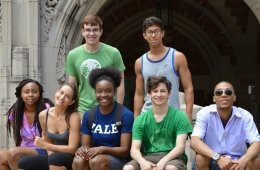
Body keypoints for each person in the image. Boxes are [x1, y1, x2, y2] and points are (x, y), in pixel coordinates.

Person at [124, 76, 193, 170]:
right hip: (148, 157)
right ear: (149, 94)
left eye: (163, 91)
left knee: (170, 168)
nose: (159, 94)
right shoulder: (140, 120)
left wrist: (163, 162)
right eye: (155, 91)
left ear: (169, 93)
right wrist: (142, 162)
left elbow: (180, 147)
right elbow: (134, 149)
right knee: (128, 168)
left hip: (173, 158)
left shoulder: (180, 117)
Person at [72, 67, 134, 170]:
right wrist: (82, 150)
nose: (103, 95)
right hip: (95, 157)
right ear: (95, 93)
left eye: (108, 91)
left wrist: (102, 149)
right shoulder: (89, 115)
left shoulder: (125, 114)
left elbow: (125, 150)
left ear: (114, 92)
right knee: (78, 160)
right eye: (99, 91)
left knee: (97, 161)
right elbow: (86, 146)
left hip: (118, 160)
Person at [134, 16, 194, 121]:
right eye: (150, 32)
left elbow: (188, 88)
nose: (153, 35)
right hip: (148, 117)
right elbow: (139, 93)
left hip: (172, 117)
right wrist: (136, 120)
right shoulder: (140, 62)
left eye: (157, 31)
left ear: (163, 33)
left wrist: (188, 117)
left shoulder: (177, 57)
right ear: (144, 35)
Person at [191, 81, 260, 170]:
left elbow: (256, 142)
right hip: (213, 160)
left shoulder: (245, 116)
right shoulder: (205, 113)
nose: (223, 95)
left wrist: (244, 160)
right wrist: (218, 157)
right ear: (214, 98)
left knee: (256, 160)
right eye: (219, 92)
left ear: (234, 97)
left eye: (228, 92)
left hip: (237, 162)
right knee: (200, 158)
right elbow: (194, 142)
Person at [65, 14, 125, 115]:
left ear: (101, 31)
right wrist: (72, 111)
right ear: (82, 32)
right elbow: (73, 86)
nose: (91, 33)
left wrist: (118, 109)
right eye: (88, 30)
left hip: (109, 108)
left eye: (95, 29)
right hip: (82, 110)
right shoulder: (73, 55)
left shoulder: (113, 52)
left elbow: (121, 83)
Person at [0, 78, 54, 170]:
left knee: (14, 153)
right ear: (20, 94)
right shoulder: (16, 112)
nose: (30, 95)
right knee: (1, 156)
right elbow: (18, 136)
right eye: (26, 92)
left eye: (34, 91)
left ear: (40, 93)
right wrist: (19, 149)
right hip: (25, 148)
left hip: (44, 149)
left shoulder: (47, 108)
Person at [34, 83, 81, 170]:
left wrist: (46, 146)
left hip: (72, 157)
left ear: (72, 102)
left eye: (67, 96)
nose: (62, 97)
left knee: (55, 159)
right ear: (56, 92)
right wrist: (51, 157)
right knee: (23, 162)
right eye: (61, 92)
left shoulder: (73, 117)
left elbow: (73, 149)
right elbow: (48, 142)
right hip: (54, 156)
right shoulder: (43, 115)